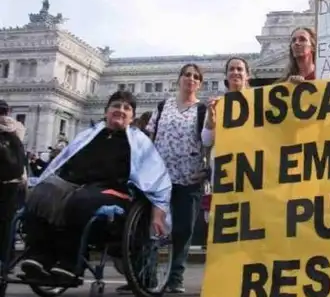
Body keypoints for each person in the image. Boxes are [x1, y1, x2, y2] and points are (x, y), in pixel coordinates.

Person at [19, 91, 171, 282]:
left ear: (132, 117)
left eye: (126, 108)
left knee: (81, 200)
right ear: (106, 111)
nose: (120, 110)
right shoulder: (88, 135)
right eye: (116, 106)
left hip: (114, 190)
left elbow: (156, 178)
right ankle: (39, 255)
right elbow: (64, 162)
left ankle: (71, 263)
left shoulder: (139, 142)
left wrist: (158, 211)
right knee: (41, 193)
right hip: (74, 184)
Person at [138, 64, 207, 294]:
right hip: (159, 178)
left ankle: (175, 277)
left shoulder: (203, 110)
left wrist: (206, 170)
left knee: (183, 230)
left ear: (200, 84)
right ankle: (146, 275)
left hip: (189, 177)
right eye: (187, 74)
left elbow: (209, 141)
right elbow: (150, 137)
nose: (191, 79)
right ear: (179, 79)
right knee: (153, 227)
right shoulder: (162, 106)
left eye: (196, 76)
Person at [0, 100, 28, 263]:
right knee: (8, 221)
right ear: (8, 111)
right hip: (14, 182)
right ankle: (6, 259)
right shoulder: (17, 129)